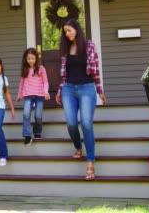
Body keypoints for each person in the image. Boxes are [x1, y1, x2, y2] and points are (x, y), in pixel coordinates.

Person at [55, 18, 107, 181]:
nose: (68, 34)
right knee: (71, 123)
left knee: (85, 123)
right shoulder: (66, 48)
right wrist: (59, 90)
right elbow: (64, 73)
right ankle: (78, 147)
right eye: (65, 32)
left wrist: (100, 90)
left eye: (69, 30)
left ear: (77, 29)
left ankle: (90, 162)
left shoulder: (89, 46)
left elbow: (96, 70)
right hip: (69, 89)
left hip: (86, 88)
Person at [15, 48, 50, 146]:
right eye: (28, 59)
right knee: (26, 114)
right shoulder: (25, 70)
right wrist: (19, 95)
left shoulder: (41, 69)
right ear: (25, 59)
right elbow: (22, 83)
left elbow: (45, 81)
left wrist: (46, 91)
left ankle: (37, 132)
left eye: (32, 58)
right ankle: (27, 135)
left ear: (36, 58)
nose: (30, 60)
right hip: (28, 95)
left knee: (38, 116)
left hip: (39, 95)